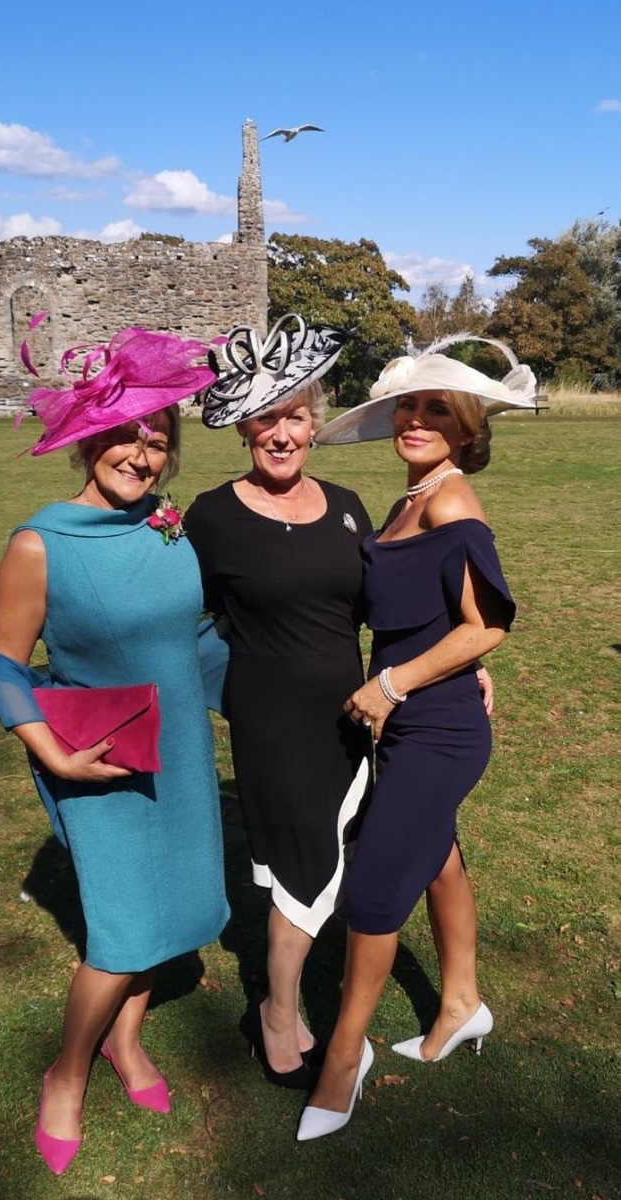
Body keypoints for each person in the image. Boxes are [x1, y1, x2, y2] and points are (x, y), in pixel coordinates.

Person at [184, 317, 494, 1090]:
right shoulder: (211, 517)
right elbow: (177, 615)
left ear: (314, 424)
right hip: (274, 722)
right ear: (243, 429)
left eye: (294, 417)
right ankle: (279, 1013)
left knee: (419, 842)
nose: (280, 435)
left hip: (358, 716)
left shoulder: (351, 507)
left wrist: (461, 664)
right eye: (265, 420)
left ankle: (460, 1000)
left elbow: (404, 605)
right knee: (306, 864)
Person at [0, 324, 229, 1175]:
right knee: (120, 932)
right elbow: (1, 665)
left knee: (170, 911)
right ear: (88, 439)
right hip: (99, 762)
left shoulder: (166, 528)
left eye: (157, 441)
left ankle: (127, 1041)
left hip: (180, 754)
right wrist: (52, 756)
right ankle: (67, 1073)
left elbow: (194, 639)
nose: (141, 455)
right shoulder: (39, 544)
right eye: (124, 436)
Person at [296, 335, 537, 1140]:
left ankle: (343, 1056)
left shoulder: (449, 503)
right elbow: (440, 617)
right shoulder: (409, 499)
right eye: (407, 405)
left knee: (372, 888)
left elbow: (486, 624)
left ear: (466, 428)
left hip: (438, 729)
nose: (415, 419)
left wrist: (393, 683)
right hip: (411, 723)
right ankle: (461, 1003)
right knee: (437, 858)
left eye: (438, 409)